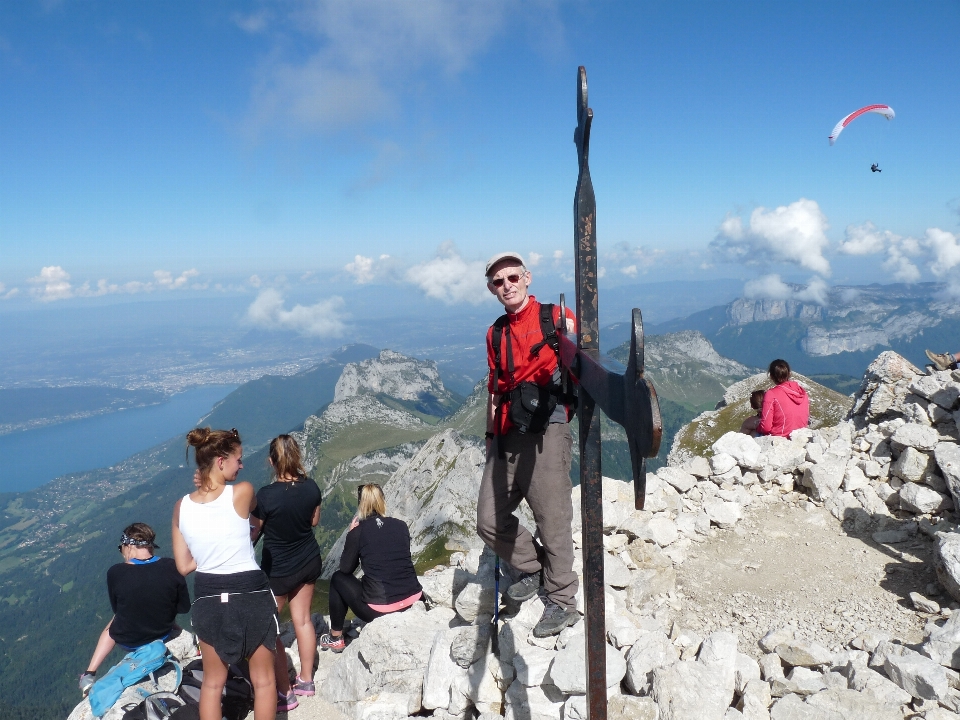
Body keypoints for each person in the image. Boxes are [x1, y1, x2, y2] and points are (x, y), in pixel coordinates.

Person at [476, 251, 580, 638]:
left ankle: (562, 599)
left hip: (547, 431)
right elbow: (494, 390)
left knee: (552, 518)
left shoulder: (556, 319)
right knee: (488, 519)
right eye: (498, 282)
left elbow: (585, 362)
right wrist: (490, 439)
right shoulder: (495, 332)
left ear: (528, 277)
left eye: (512, 278)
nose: (507, 286)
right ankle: (537, 569)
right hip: (506, 433)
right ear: (491, 288)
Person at [172, 428, 279, 720]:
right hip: (250, 592)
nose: (241, 465)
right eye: (238, 459)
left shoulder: (181, 507)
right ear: (221, 461)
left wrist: (209, 551)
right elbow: (257, 512)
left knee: (212, 683)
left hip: (207, 595)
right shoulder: (243, 492)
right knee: (264, 681)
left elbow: (183, 566)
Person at [251, 435, 322, 710]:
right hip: (308, 560)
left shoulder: (265, 496)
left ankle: (285, 693)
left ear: (271, 461)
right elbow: (313, 521)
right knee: (302, 620)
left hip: (277, 570)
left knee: (271, 629)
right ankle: (306, 680)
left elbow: (253, 532)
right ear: (296, 457)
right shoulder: (312, 487)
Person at [78, 523, 189, 695]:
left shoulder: (116, 572)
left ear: (128, 546)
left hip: (129, 640)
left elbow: (118, 609)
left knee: (115, 620)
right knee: (159, 602)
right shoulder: (172, 566)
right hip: (164, 631)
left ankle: (89, 673)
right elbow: (183, 607)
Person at [318, 484, 422, 653]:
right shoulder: (401, 525)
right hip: (413, 600)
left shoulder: (358, 532)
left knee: (337, 578)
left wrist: (351, 536)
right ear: (382, 501)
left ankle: (335, 638)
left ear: (361, 504)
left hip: (381, 610)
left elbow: (346, 569)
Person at [757, 359, 810, 438]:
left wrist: (757, 428)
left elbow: (766, 427)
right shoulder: (802, 392)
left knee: (748, 425)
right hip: (801, 435)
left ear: (771, 376)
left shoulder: (771, 394)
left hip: (781, 437)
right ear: (789, 374)